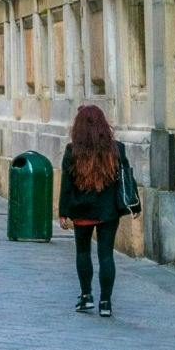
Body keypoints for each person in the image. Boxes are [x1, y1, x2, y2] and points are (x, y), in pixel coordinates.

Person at [58, 102, 139, 320]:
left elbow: (67, 185)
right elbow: (127, 179)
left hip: (82, 210)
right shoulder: (117, 149)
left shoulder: (72, 151)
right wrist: (135, 204)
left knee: (83, 252)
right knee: (106, 255)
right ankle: (105, 302)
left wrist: (63, 212)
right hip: (108, 211)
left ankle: (86, 296)